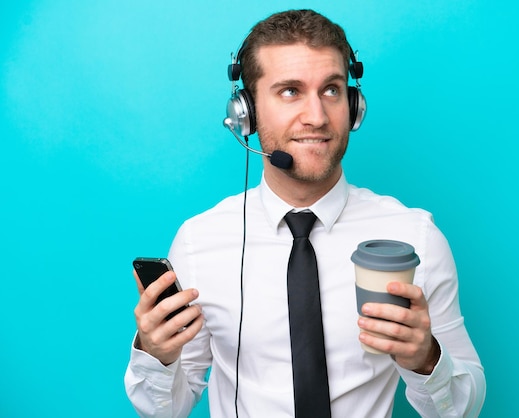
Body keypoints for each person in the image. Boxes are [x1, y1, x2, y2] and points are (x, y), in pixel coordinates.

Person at [125, 9, 485, 418]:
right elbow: (165, 409)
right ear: (247, 113)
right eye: (290, 91)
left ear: (354, 105)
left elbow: (462, 408)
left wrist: (426, 360)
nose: (316, 116)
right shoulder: (199, 241)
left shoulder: (413, 237)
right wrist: (156, 355)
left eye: (331, 90)